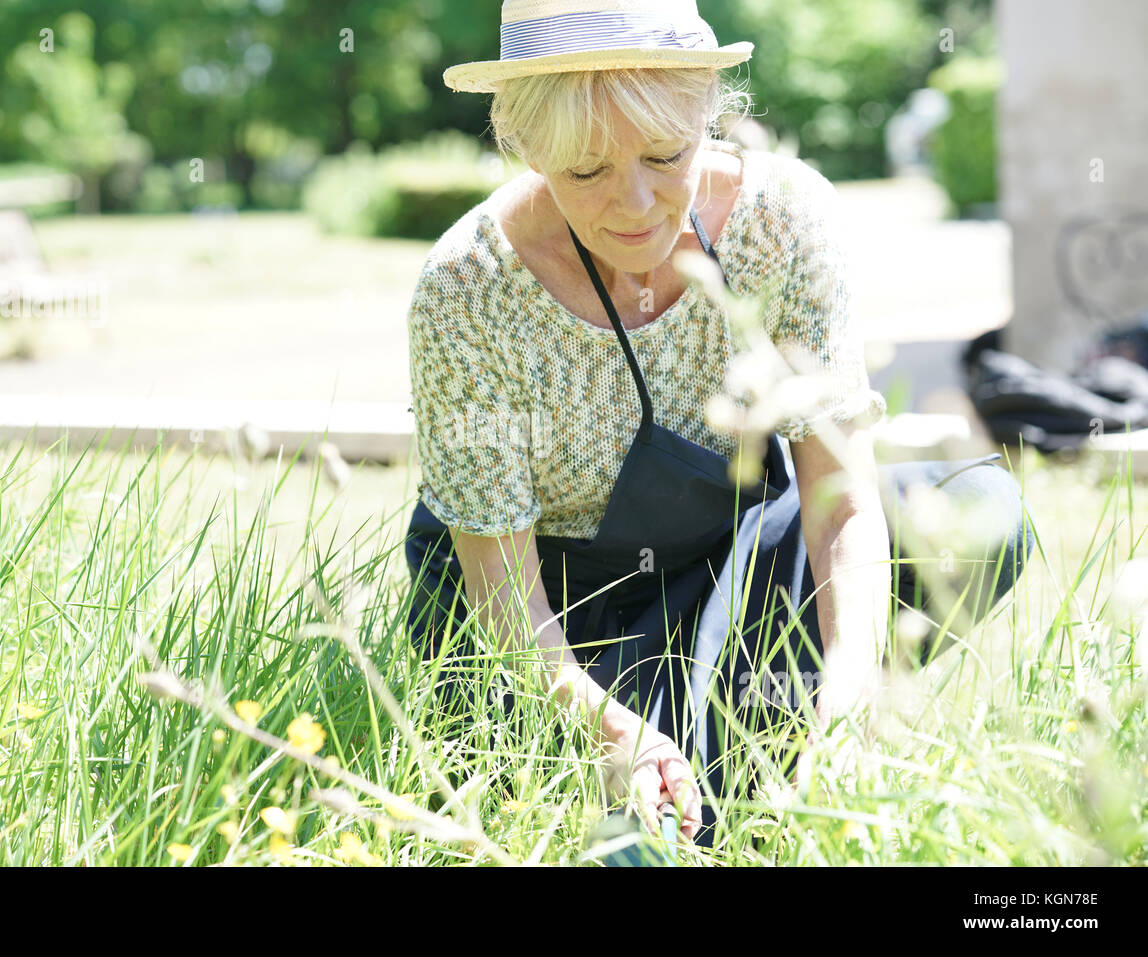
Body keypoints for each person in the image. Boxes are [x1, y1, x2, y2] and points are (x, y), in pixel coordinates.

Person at [403, 0, 1034, 850]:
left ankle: (785, 740)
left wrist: (848, 701)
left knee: (984, 510)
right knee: (632, 847)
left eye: (666, 155)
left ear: (709, 112)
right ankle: (691, 771)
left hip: (724, 568)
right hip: (548, 627)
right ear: (525, 147)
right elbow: (498, 586)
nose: (634, 205)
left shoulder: (783, 221)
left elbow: (840, 501)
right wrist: (606, 727)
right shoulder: (467, 288)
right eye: (585, 171)